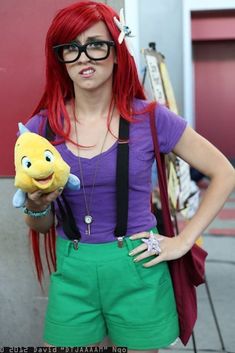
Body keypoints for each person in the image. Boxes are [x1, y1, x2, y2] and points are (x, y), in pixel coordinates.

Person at [20, 1, 235, 350]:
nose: (83, 57)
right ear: (59, 59)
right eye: (70, 49)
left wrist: (184, 241)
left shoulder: (150, 118)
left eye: (95, 44)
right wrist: (36, 203)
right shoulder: (41, 128)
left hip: (138, 268)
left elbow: (224, 172)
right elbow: (41, 225)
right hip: (72, 270)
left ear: (117, 51)